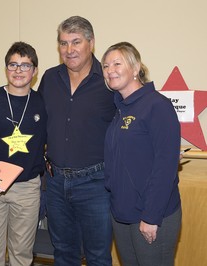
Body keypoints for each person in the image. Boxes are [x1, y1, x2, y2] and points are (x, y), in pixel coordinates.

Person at [36, 16, 116, 266]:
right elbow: (32, 115)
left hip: (96, 184)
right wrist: (2, 96)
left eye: (76, 42)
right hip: (56, 183)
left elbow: (135, 118)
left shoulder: (109, 80)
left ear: (91, 43)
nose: (69, 50)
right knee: (63, 253)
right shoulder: (50, 78)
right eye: (63, 43)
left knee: (97, 256)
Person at [102, 42, 182, 266]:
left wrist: (150, 216)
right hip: (123, 214)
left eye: (117, 63)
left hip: (152, 216)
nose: (110, 70)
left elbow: (165, 166)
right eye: (106, 66)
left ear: (136, 68)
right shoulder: (119, 109)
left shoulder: (157, 105)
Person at [0, 41, 47, 266]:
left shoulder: (41, 103)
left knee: (21, 254)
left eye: (25, 66)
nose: (18, 70)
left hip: (27, 188)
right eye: (13, 65)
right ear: (6, 68)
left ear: (34, 71)